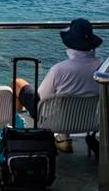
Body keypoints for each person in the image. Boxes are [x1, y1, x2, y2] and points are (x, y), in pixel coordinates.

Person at [12, 18, 103, 153]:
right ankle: (63, 138)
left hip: (56, 122)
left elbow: (41, 98)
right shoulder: (103, 67)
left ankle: (18, 137)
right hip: (90, 120)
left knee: (17, 83)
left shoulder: (60, 69)